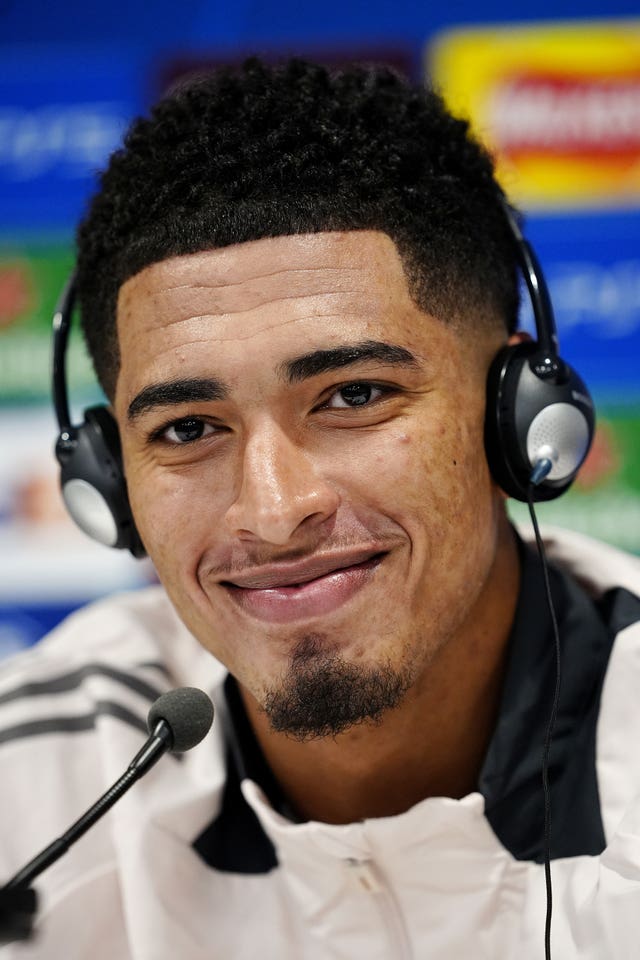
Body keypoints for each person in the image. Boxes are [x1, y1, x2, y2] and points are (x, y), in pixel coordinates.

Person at [1, 57, 639, 959]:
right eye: (187, 429)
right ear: (113, 479)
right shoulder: (29, 788)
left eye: (353, 397)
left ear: (514, 414)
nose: (272, 512)